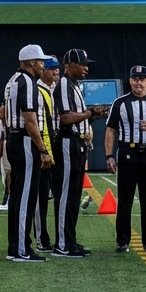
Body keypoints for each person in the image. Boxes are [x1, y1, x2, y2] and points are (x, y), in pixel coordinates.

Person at [48, 48, 103, 257]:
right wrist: (89, 112)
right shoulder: (63, 84)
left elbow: (77, 118)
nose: (86, 68)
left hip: (77, 143)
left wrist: (93, 115)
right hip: (67, 142)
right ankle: (62, 244)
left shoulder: (74, 86)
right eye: (82, 64)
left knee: (73, 196)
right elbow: (64, 118)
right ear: (70, 65)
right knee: (65, 195)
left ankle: (70, 240)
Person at [4, 44, 53, 262]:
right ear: (31, 63)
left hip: (14, 138)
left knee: (17, 196)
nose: (43, 66)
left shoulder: (13, 80)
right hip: (24, 140)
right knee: (25, 196)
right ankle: (22, 249)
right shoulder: (28, 82)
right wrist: (43, 149)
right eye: (40, 62)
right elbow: (30, 120)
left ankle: (15, 246)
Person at [104, 65, 146, 253]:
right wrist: (109, 155)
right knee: (125, 198)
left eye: (142, 79)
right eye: (135, 79)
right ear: (130, 80)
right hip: (128, 152)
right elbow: (110, 129)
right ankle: (122, 240)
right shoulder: (120, 103)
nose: (138, 83)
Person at [33, 57, 60, 252]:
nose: (56, 72)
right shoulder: (36, 90)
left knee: (59, 195)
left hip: (58, 147)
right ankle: (41, 237)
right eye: (51, 68)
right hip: (43, 148)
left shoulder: (58, 89)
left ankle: (62, 238)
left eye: (57, 68)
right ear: (42, 71)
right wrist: (43, 150)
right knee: (40, 197)